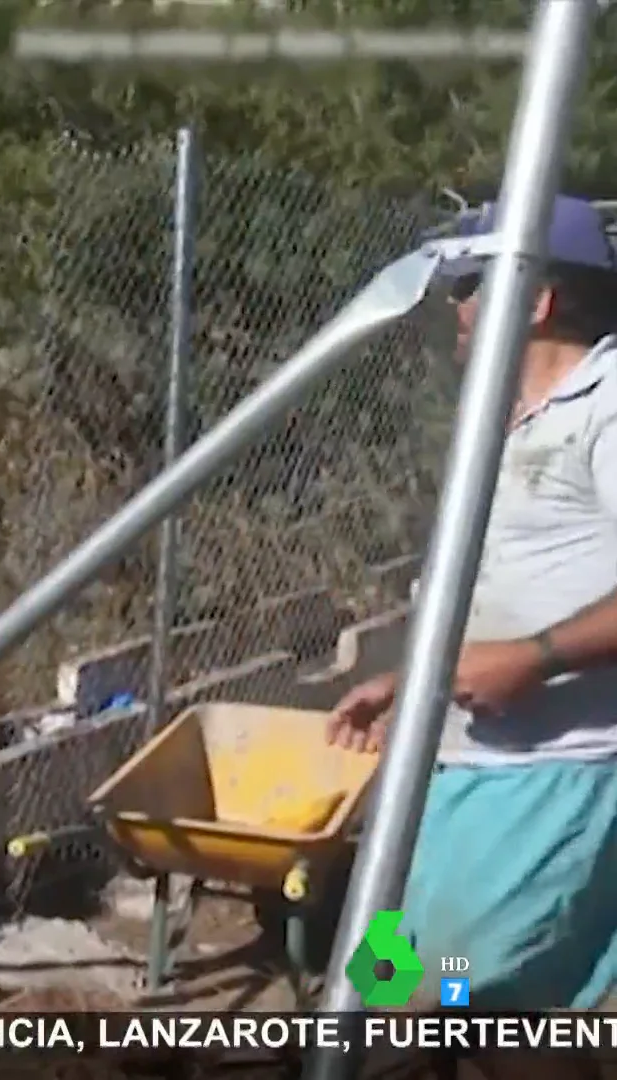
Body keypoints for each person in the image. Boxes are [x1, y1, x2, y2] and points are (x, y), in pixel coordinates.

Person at [328, 195, 617, 1013]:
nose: (453, 308)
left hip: (549, 778)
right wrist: (407, 680)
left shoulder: (608, 400)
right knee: (390, 982)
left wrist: (536, 659)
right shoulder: (504, 420)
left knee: (482, 1010)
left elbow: (523, 636)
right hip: (465, 772)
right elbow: (495, 584)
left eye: (468, 286)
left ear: (537, 299)